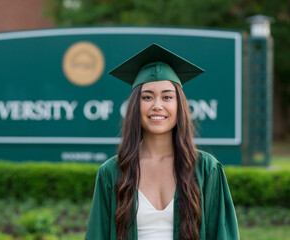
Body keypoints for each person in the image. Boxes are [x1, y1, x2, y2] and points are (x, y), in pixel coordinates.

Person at [85, 43, 239, 240]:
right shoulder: (112, 172)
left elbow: (223, 234)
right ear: (135, 106)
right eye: (147, 97)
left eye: (167, 97)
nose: (157, 106)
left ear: (179, 106)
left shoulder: (207, 169)